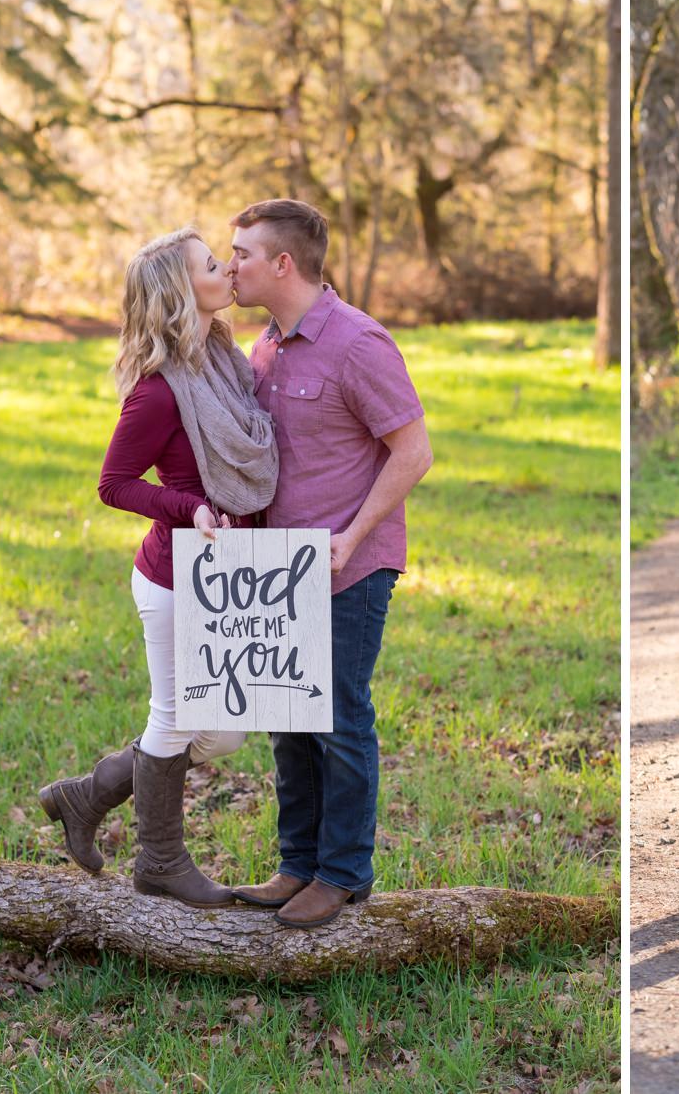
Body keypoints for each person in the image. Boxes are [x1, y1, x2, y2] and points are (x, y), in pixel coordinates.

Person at [39, 227, 279, 907]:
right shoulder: (160, 390)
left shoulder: (224, 361)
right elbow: (114, 484)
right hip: (176, 577)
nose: (228, 267)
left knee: (225, 730)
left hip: (226, 578)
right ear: (183, 292)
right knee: (174, 717)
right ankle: (161, 861)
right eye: (213, 263)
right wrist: (189, 508)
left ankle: (88, 794)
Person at [225, 200, 433, 929]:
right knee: (287, 715)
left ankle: (343, 872)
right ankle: (296, 861)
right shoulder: (265, 348)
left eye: (243, 252)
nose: (231, 265)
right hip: (277, 570)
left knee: (339, 719)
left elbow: (414, 452)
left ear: (284, 263)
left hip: (349, 565)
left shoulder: (358, 343)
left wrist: (352, 534)